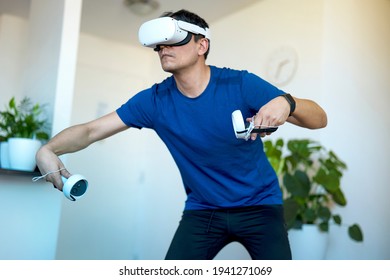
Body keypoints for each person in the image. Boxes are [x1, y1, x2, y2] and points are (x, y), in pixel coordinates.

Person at [35, 9, 327, 260]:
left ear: (202, 45)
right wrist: (47, 150)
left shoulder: (240, 84)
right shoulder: (154, 101)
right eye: (159, 46)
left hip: (260, 206)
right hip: (204, 211)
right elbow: (90, 130)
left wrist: (286, 102)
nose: (163, 48)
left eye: (173, 41)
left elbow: (319, 119)